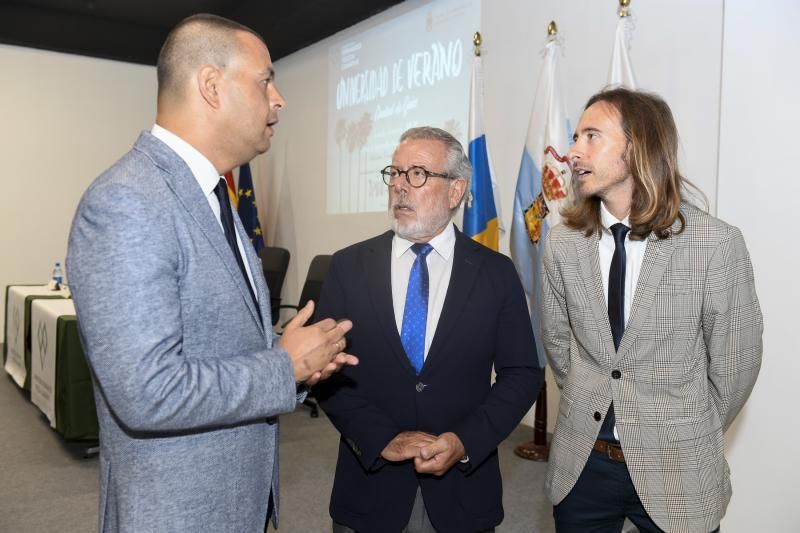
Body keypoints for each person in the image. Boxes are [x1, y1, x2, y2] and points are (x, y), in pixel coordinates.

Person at [67, 14, 356, 533]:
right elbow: (146, 393)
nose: (279, 99)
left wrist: (288, 355)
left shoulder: (213, 198)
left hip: (233, 504)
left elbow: (208, 340)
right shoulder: (127, 202)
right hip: (176, 514)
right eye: (266, 79)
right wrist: (281, 367)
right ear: (211, 86)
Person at [540, 87, 763, 533]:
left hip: (678, 467)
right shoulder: (563, 242)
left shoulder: (714, 244)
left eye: (591, 136)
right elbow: (560, 348)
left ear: (637, 146)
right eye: (575, 136)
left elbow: (735, 367)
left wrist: (683, 428)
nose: (572, 152)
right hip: (583, 464)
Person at [314, 126, 544, 533]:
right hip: (369, 490)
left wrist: (466, 440)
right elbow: (325, 372)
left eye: (417, 174)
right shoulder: (348, 266)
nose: (401, 186)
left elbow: (522, 374)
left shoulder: (495, 273)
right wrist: (381, 439)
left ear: (456, 191)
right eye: (396, 173)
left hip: (463, 493)